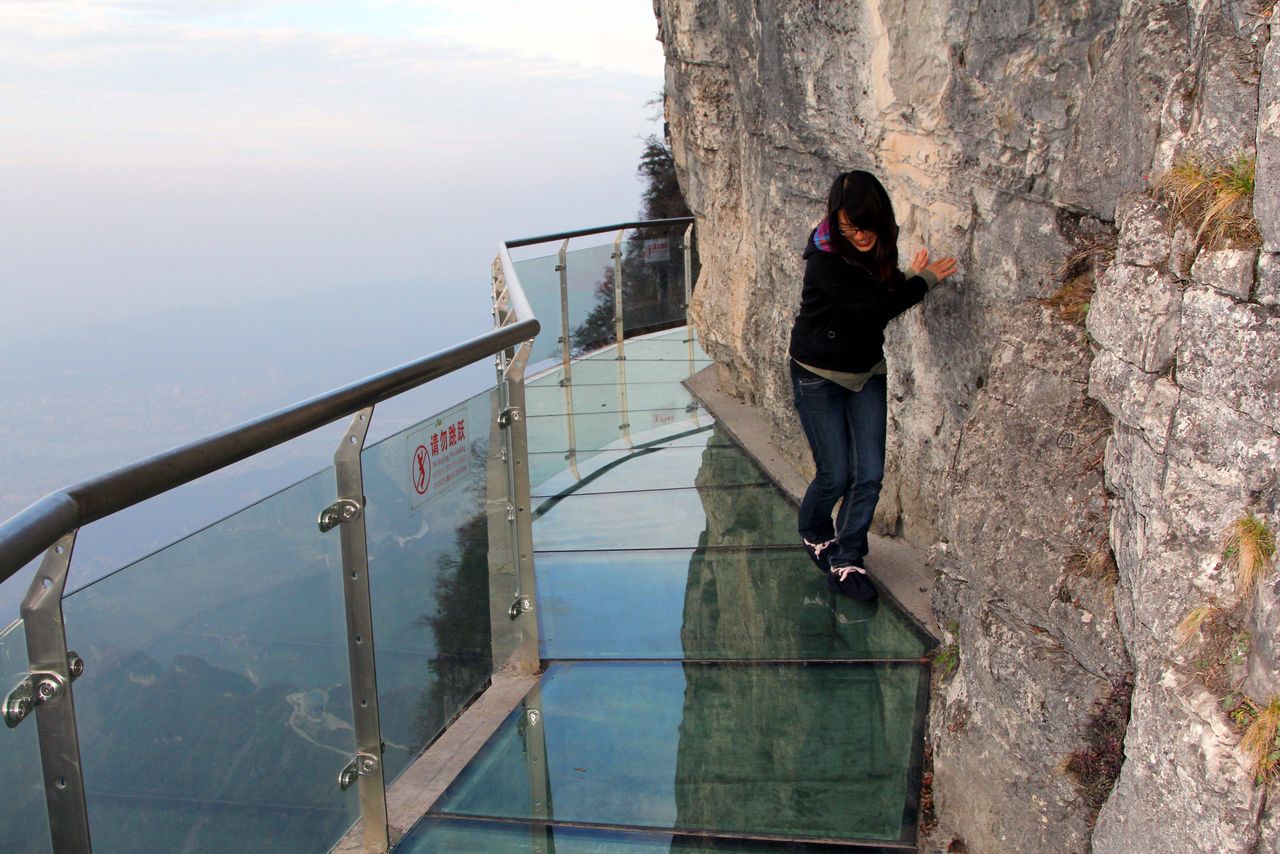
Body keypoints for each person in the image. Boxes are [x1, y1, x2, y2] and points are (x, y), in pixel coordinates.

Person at [788, 170, 957, 600]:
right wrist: (923, 281)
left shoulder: (880, 241)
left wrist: (901, 278)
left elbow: (878, 288)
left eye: (866, 227)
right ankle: (813, 529)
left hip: (866, 370)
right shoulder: (825, 260)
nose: (859, 236)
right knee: (836, 473)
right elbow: (873, 306)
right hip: (818, 374)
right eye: (849, 228)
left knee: (870, 475)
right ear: (836, 223)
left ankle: (846, 558)